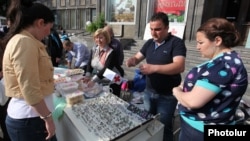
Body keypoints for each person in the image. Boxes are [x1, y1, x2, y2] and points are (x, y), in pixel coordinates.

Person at [172, 18, 248, 141]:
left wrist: (176, 91)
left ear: (217, 40)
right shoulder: (226, 61)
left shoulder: (223, 65)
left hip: (199, 130)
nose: (197, 47)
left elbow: (193, 102)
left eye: (201, 42)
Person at [126, 12, 187, 141]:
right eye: (151, 29)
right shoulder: (149, 43)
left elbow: (179, 66)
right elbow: (137, 57)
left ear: (167, 28)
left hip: (167, 95)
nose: (153, 33)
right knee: (148, 122)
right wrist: (132, 60)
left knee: (164, 127)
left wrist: (153, 68)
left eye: (158, 29)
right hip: (149, 92)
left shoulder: (176, 43)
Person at [2, 0, 57, 141]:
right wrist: (48, 119)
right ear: (40, 23)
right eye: (49, 28)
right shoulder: (24, 42)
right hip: (30, 121)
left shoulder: (27, 40)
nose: (49, 33)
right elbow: (29, 88)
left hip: (32, 119)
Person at [84, 28, 124, 97]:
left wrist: (93, 80)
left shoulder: (111, 52)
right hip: (102, 76)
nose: (98, 40)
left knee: (112, 98)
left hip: (114, 77)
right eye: (96, 37)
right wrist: (87, 75)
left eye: (101, 38)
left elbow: (107, 69)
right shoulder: (94, 49)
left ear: (106, 38)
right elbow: (89, 63)